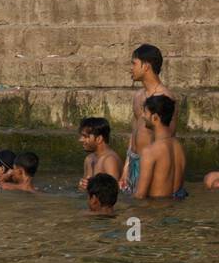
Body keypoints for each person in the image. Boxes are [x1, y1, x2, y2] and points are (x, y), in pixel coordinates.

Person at [121, 44, 176, 193]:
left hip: (151, 165)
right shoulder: (138, 96)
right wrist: (126, 168)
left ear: (146, 66)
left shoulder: (165, 98)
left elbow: (167, 139)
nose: (130, 68)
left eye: (134, 63)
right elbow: (134, 133)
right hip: (134, 161)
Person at [134, 94, 187, 200]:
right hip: (175, 207)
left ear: (155, 118)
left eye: (145, 112)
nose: (143, 116)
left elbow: (140, 195)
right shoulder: (178, 146)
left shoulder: (150, 151)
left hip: (156, 210)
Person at [78, 117, 123, 190]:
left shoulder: (109, 160)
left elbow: (113, 192)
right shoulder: (88, 159)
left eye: (86, 136)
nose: (80, 140)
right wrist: (82, 186)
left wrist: (91, 186)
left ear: (99, 139)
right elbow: (84, 190)